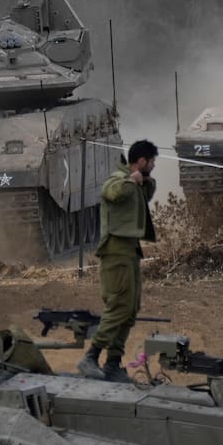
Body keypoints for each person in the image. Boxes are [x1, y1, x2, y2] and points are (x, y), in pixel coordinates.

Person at [78, 140, 157, 383]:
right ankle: (91, 357)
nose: (153, 166)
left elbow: (148, 193)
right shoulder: (118, 178)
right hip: (115, 252)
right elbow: (111, 192)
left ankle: (113, 362)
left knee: (130, 310)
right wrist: (131, 179)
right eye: (151, 161)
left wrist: (143, 180)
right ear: (141, 161)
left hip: (130, 252)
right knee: (118, 307)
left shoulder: (137, 180)